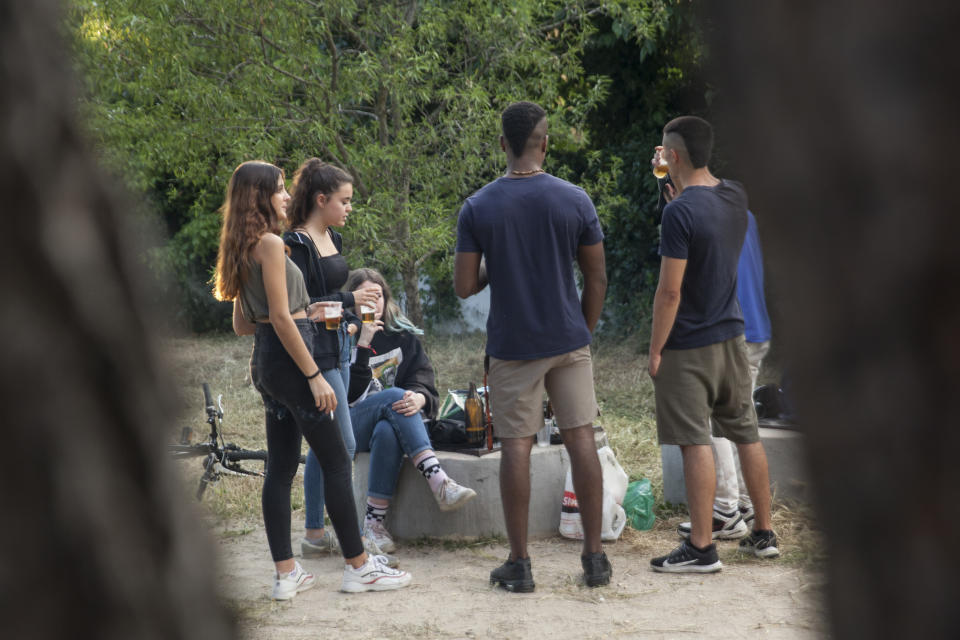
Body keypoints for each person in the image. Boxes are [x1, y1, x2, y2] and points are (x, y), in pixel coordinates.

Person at [212, 161, 411, 597]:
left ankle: (287, 574)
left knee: (281, 467)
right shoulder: (269, 243)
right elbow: (283, 318)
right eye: (280, 190)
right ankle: (359, 566)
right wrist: (315, 375)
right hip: (292, 364)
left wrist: (304, 314)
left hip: (267, 363)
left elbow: (246, 324)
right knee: (337, 459)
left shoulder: (244, 247)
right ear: (259, 197)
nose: (287, 196)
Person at [454, 101, 611, 591]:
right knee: (581, 437)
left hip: (513, 345)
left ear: (503, 144)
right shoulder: (575, 199)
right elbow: (597, 275)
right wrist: (581, 329)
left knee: (516, 447)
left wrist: (492, 264)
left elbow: (463, 286)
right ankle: (595, 559)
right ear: (544, 143)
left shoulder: (478, 206)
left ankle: (520, 565)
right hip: (568, 340)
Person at [646, 116, 779, 574]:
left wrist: (655, 349)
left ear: (674, 155)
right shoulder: (736, 195)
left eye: (663, 151)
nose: (659, 157)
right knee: (745, 431)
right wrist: (675, 189)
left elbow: (670, 292)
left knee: (694, 440)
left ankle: (702, 547)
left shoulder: (678, 213)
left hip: (689, 343)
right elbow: (709, 230)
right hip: (734, 335)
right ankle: (763, 532)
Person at [283, 158, 385, 559]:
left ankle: (313, 533)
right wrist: (350, 299)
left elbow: (328, 301)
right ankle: (354, 543)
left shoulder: (332, 240)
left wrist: (354, 315)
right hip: (314, 353)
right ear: (320, 199)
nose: (349, 208)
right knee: (343, 444)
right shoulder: (297, 244)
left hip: (339, 342)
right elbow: (297, 305)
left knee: (328, 444)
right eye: (343, 201)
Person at [343, 268, 477, 553]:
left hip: (389, 424)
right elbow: (348, 394)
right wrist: (364, 342)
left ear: (386, 299)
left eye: (377, 296)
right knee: (394, 396)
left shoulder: (401, 335)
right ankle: (439, 481)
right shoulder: (344, 334)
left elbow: (423, 377)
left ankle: (374, 525)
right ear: (352, 301)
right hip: (352, 425)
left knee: (387, 430)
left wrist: (418, 397)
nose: (372, 303)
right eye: (365, 298)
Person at [676, 209, 772, 540]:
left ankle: (724, 510)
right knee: (738, 418)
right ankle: (743, 503)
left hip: (730, 328)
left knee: (711, 417)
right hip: (757, 328)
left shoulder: (701, 215)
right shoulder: (741, 210)